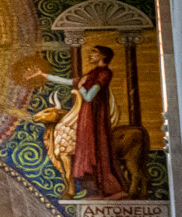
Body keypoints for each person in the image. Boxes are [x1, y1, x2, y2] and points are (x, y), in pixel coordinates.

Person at [30, 45, 127, 199]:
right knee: (86, 148)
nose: (90, 55)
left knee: (96, 148)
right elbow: (68, 81)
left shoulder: (104, 73)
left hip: (95, 117)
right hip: (86, 116)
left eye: (94, 53)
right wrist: (43, 75)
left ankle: (107, 186)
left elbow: (88, 97)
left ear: (102, 56)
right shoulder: (92, 73)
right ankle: (93, 188)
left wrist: (81, 88)